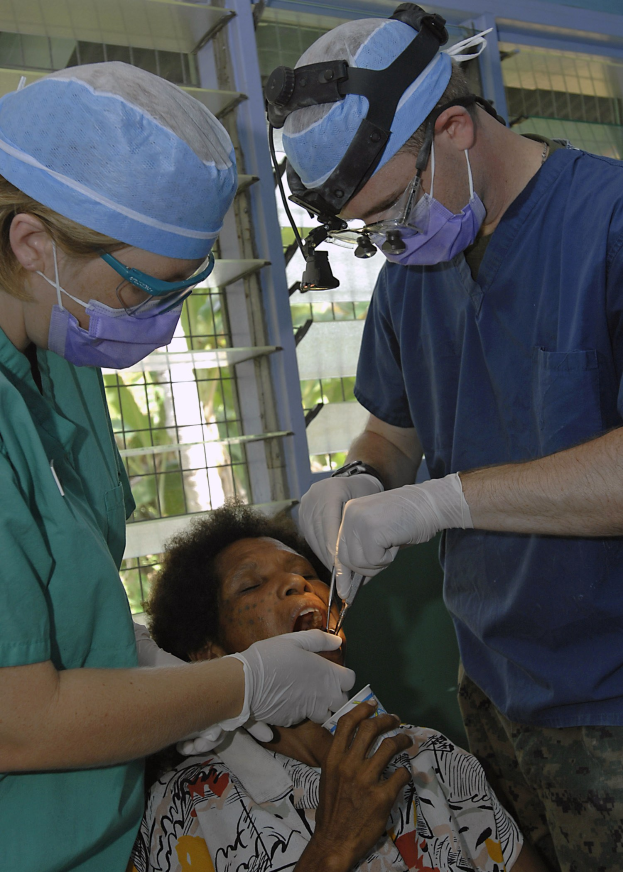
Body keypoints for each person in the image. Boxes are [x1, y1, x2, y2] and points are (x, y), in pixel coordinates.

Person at [269, 8, 623, 871]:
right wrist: (358, 477)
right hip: (493, 681)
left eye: (392, 210)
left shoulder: (605, 226)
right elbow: (395, 428)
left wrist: (440, 501)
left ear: (454, 129)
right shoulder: (414, 273)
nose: (389, 245)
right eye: (369, 233)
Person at [0, 63, 355, 872]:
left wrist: (133, 661)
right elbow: (14, 721)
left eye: (185, 290)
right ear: (33, 244)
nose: (160, 327)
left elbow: (44, 587)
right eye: (144, 291)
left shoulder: (55, 338)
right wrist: (240, 686)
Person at [131, 502, 550, 872]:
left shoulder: (427, 757)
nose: (298, 584)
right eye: (251, 585)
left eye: (308, 574)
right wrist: (332, 849)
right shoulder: (187, 810)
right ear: (208, 655)